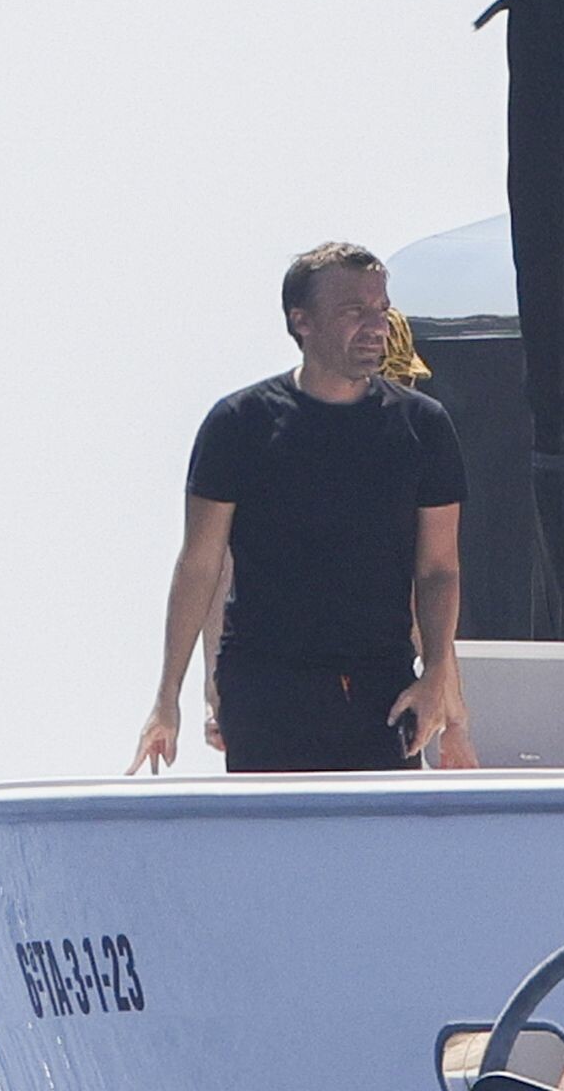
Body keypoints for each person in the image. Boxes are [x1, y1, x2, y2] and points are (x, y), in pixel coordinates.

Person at [128, 244, 474, 774]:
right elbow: (201, 565)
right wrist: (167, 698)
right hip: (264, 686)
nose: (375, 327)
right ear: (301, 321)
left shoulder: (423, 426)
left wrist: (436, 680)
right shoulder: (238, 424)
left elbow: (438, 570)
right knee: (272, 829)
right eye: (354, 311)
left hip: (380, 685)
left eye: (381, 310)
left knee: (379, 828)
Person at [194, 308, 471, 763]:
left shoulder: (409, 437)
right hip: (289, 686)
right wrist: (454, 715)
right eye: (396, 375)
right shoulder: (268, 432)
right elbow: (216, 573)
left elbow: (427, 593)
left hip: (352, 685)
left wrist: (450, 708)